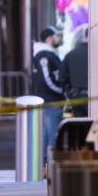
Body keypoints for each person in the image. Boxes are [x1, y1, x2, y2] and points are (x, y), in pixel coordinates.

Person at [31, 26, 66, 160]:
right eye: (56, 36)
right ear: (50, 38)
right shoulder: (45, 55)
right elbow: (47, 79)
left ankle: (44, 169)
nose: (59, 39)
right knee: (53, 135)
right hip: (51, 100)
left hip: (47, 100)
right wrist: (61, 91)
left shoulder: (45, 54)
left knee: (46, 135)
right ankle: (52, 168)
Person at [60, 24, 90, 118]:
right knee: (95, 127)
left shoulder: (70, 55)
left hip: (76, 97)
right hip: (96, 98)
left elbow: (62, 78)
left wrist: (70, 92)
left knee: (78, 126)